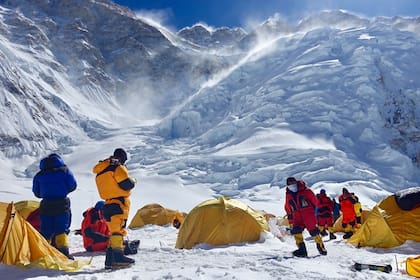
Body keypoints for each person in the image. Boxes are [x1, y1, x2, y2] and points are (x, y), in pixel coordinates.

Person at [93, 148, 137, 269]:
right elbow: (126, 184)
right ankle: (118, 257)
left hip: (107, 204)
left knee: (113, 231)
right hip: (119, 202)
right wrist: (133, 180)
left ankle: (110, 258)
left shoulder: (101, 171)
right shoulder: (117, 167)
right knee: (118, 230)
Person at [32, 153, 77, 259]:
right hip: (62, 203)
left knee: (45, 230)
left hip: (46, 204)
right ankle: (64, 253)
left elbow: (37, 193)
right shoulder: (65, 171)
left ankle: (43, 254)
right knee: (61, 229)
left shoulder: (39, 174)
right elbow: (73, 185)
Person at [284, 177, 327, 257]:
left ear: (296, 182)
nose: (291, 185)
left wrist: (316, 214)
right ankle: (302, 250)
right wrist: (290, 219)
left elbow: (315, 202)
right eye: (289, 184)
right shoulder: (288, 195)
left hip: (308, 214)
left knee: (314, 231)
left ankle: (321, 247)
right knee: (296, 231)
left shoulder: (306, 191)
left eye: (292, 183)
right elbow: (288, 207)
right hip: (297, 216)